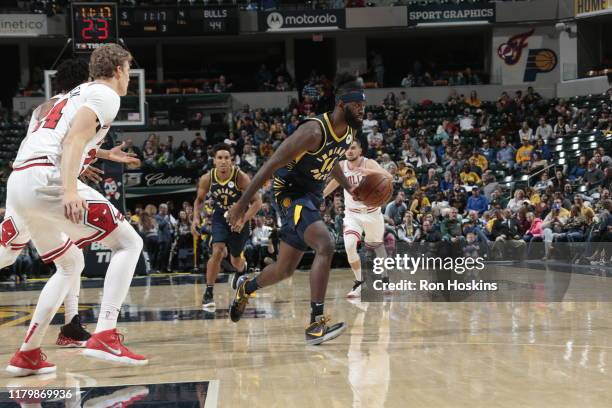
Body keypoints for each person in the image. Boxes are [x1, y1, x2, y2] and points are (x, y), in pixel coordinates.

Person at [5, 44, 147, 376]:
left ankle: (27, 354)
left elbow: (63, 137)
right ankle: (106, 333)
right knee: (129, 243)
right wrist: (70, 189)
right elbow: (71, 141)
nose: (129, 77)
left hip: (20, 181)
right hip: (48, 180)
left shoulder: (65, 98)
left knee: (70, 264)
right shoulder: (106, 95)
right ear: (118, 70)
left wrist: (103, 155)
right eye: (128, 69)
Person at [227, 73, 363, 345]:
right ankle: (315, 324)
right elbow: (271, 164)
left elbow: (333, 158)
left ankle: (246, 287)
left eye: (363, 106)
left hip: (310, 195)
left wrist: (350, 187)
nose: (362, 110)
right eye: (357, 106)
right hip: (290, 193)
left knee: (285, 269)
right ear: (341, 105)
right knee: (325, 243)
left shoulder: (350, 131)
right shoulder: (312, 131)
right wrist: (242, 205)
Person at [0, 58, 104, 349]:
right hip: (44, 179)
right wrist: (91, 159)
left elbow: (50, 139)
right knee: (67, 259)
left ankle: (71, 325)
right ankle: (70, 327)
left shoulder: (41, 109)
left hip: (23, 175)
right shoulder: (81, 102)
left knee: (64, 257)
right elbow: (74, 140)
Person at [191, 143, 261, 309]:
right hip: (219, 217)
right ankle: (208, 292)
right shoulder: (207, 178)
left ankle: (241, 271)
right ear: (214, 160)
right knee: (217, 251)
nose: (223, 161)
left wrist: (243, 220)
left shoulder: (241, 177)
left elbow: (257, 202)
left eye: (226, 158)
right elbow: (199, 200)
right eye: (219, 158)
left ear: (232, 160)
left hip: (239, 218)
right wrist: (195, 218)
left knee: (236, 259)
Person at [323, 139, 391, 298]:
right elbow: (335, 182)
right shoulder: (341, 166)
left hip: (372, 213)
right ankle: (359, 282)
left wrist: (372, 173)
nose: (349, 151)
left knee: (377, 247)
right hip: (352, 214)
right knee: (350, 245)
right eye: (347, 149)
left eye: (353, 148)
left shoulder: (369, 163)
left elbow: (388, 176)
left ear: (360, 150)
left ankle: (385, 279)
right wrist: (321, 196)